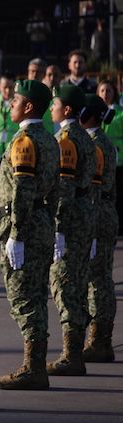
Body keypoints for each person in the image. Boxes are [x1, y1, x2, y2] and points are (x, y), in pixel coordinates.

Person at [0, 80, 59, 391]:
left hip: (26, 227)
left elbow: (20, 191)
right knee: (35, 296)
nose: (10, 105)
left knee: (24, 298)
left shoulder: (24, 142)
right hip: (42, 222)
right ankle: (34, 365)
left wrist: (15, 234)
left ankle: (33, 368)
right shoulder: (48, 139)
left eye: (15, 100)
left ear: (29, 106)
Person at [47, 84, 96, 377]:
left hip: (70, 218)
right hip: (84, 214)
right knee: (77, 282)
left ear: (66, 109)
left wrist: (59, 228)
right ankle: (74, 350)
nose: (51, 109)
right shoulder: (84, 136)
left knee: (66, 285)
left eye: (54, 104)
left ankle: (71, 354)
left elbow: (63, 188)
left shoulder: (65, 140)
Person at [80, 93, 117, 362]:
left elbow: (93, 187)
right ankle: (100, 338)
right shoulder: (101, 142)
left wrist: (89, 227)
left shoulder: (95, 145)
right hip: (104, 211)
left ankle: (100, 340)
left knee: (97, 280)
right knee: (100, 277)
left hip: (97, 214)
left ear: (90, 115)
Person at [97, 79, 123, 233]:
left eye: (108, 91)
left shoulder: (120, 112)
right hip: (99, 161)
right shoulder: (93, 113)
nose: (105, 94)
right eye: (102, 91)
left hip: (118, 161)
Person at [0, 74, 19, 153]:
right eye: (5, 87)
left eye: (11, 87)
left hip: (13, 147)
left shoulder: (19, 105)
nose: (7, 91)